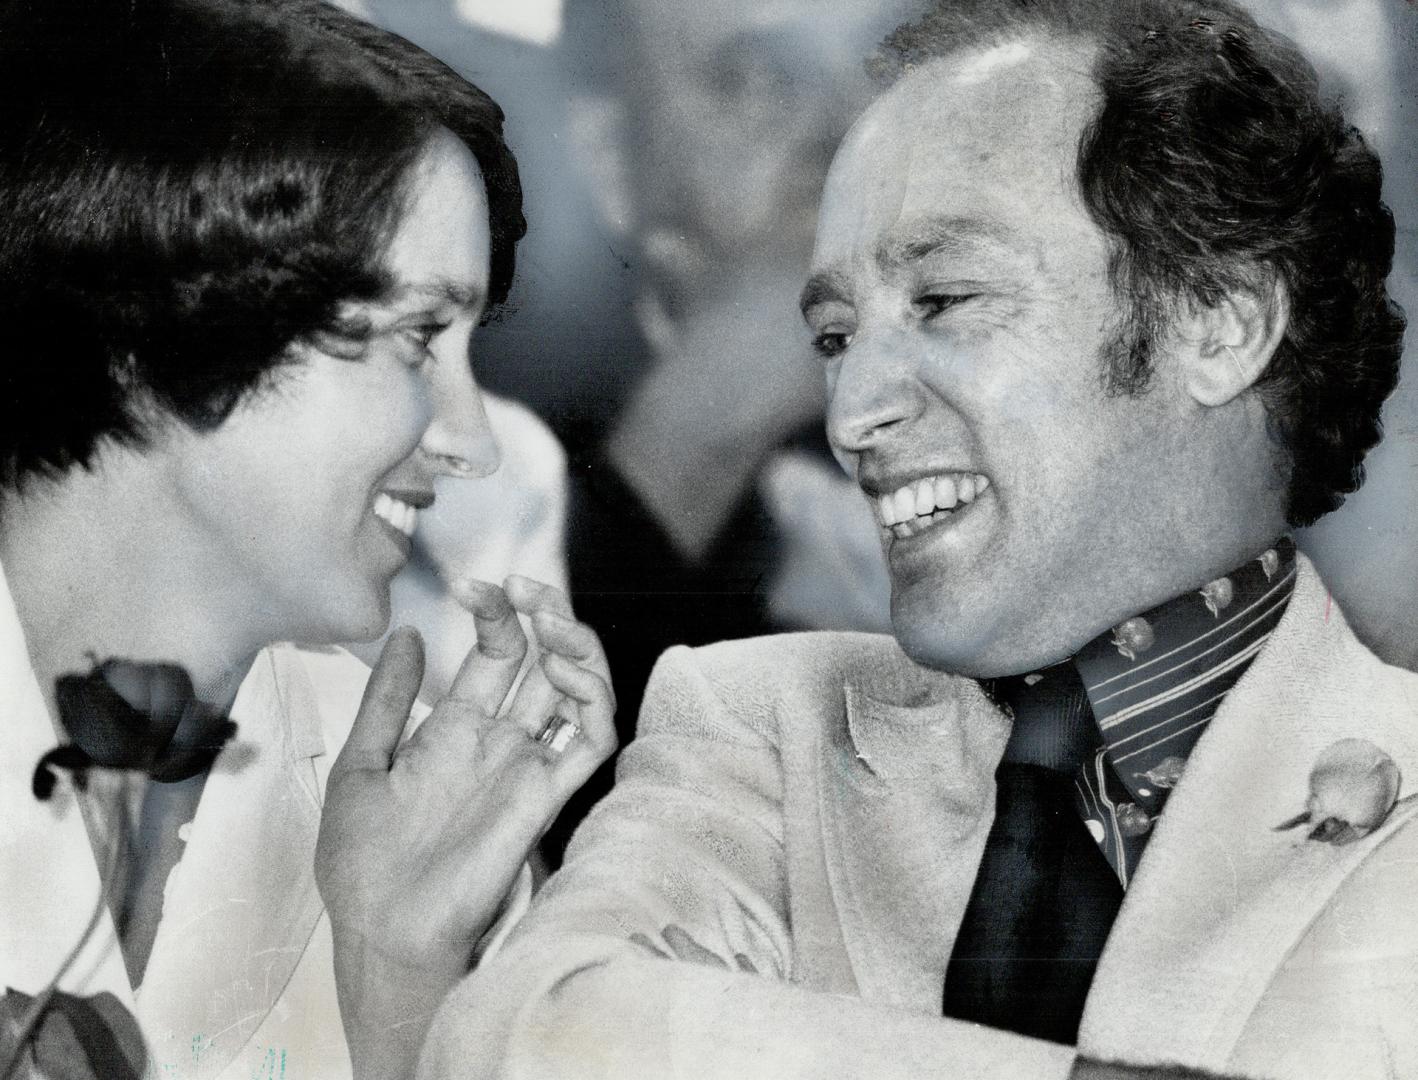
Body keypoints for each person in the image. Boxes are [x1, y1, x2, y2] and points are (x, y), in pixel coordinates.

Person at [416, 2, 1415, 1078]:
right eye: (834, 336)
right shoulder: (759, 724)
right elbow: (527, 1028)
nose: (851, 415)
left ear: (1215, 323)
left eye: (943, 298)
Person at [0, 2, 615, 1078]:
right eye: (420, 337)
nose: (471, 444)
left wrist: (403, 985)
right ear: (161, 331)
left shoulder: (425, 816)